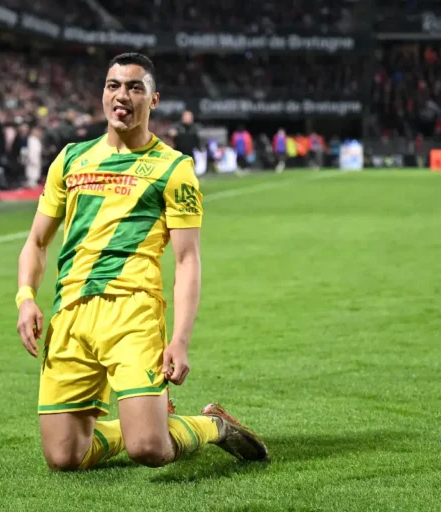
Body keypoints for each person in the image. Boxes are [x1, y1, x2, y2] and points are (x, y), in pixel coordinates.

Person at [15, 53, 269, 472]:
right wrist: (25, 298)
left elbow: (187, 260)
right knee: (64, 457)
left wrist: (180, 340)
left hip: (132, 313)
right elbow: (36, 242)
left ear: (153, 100)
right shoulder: (71, 159)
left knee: (149, 449)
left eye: (135, 87)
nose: (122, 95)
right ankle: (143, 422)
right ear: (103, 94)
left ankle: (212, 425)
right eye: (113, 85)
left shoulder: (173, 168)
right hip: (71, 317)